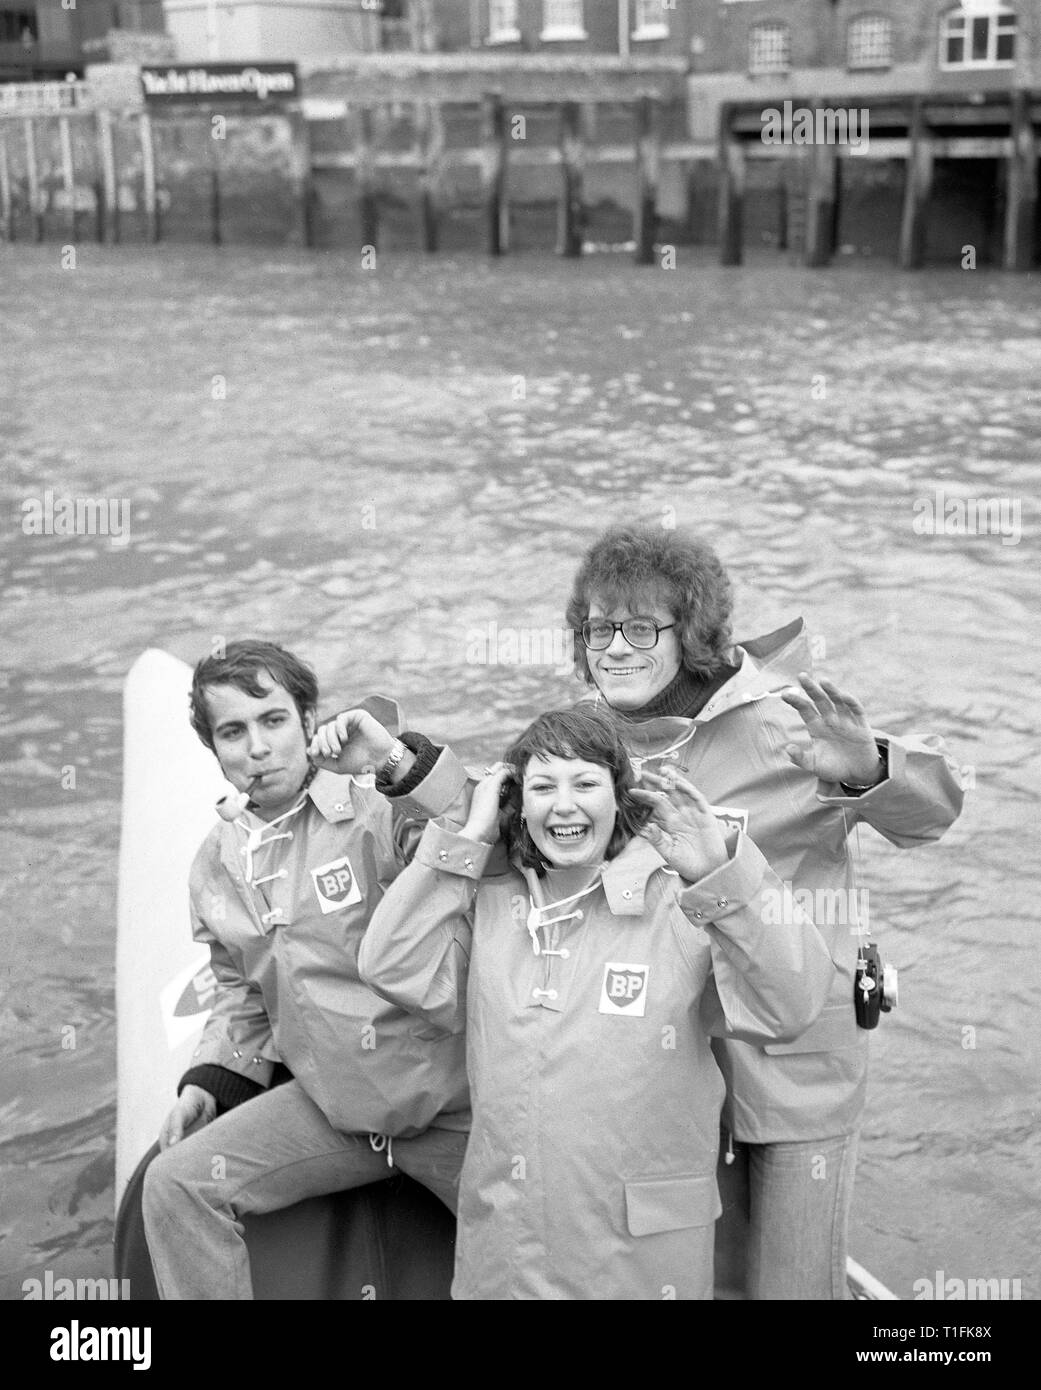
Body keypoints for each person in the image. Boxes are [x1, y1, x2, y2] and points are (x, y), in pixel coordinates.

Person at [562, 525, 965, 1299]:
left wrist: (870, 771)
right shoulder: (588, 741)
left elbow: (933, 815)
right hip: (666, 1064)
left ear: (696, 636)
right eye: (596, 628)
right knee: (693, 1276)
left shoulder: (788, 725)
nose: (611, 647)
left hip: (795, 1066)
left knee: (790, 1283)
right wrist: (401, 771)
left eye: (639, 627)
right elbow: (501, 819)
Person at [358, 706, 834, 1300]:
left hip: (638, 1263)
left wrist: (721, 873)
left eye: (585, 783)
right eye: (542, 786)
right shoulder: (495, 905)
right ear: (517, 802)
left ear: (619, 796)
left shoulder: (683, 901)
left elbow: (791, 1005)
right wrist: (467, 839)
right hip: (505, 1253)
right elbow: (390, 965)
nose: (564, 804)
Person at [142, 640, 471, 1299]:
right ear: (214, 749)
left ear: (307, 721)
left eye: (273, 721)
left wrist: (392, 758)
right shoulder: (216, 862)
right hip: (337, 1112)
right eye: (233, 732)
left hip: (451, 1110)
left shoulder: (376, 811)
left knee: (546, 1253)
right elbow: (239, 992)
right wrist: (207, 1084)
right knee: (176, 1184)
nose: (257, 748)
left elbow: (473, 828)